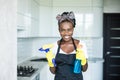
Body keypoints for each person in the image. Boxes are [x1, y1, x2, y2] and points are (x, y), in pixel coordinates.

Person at [40, 11, 88, 80]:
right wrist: (51, 63)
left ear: (73, 29)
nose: (66, 33)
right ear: (59, 30)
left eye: (69, 30)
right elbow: (53, 71)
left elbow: (84, 69)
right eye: (63, 30)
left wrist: (83, 60)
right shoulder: (54, 46)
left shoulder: (80, 45)